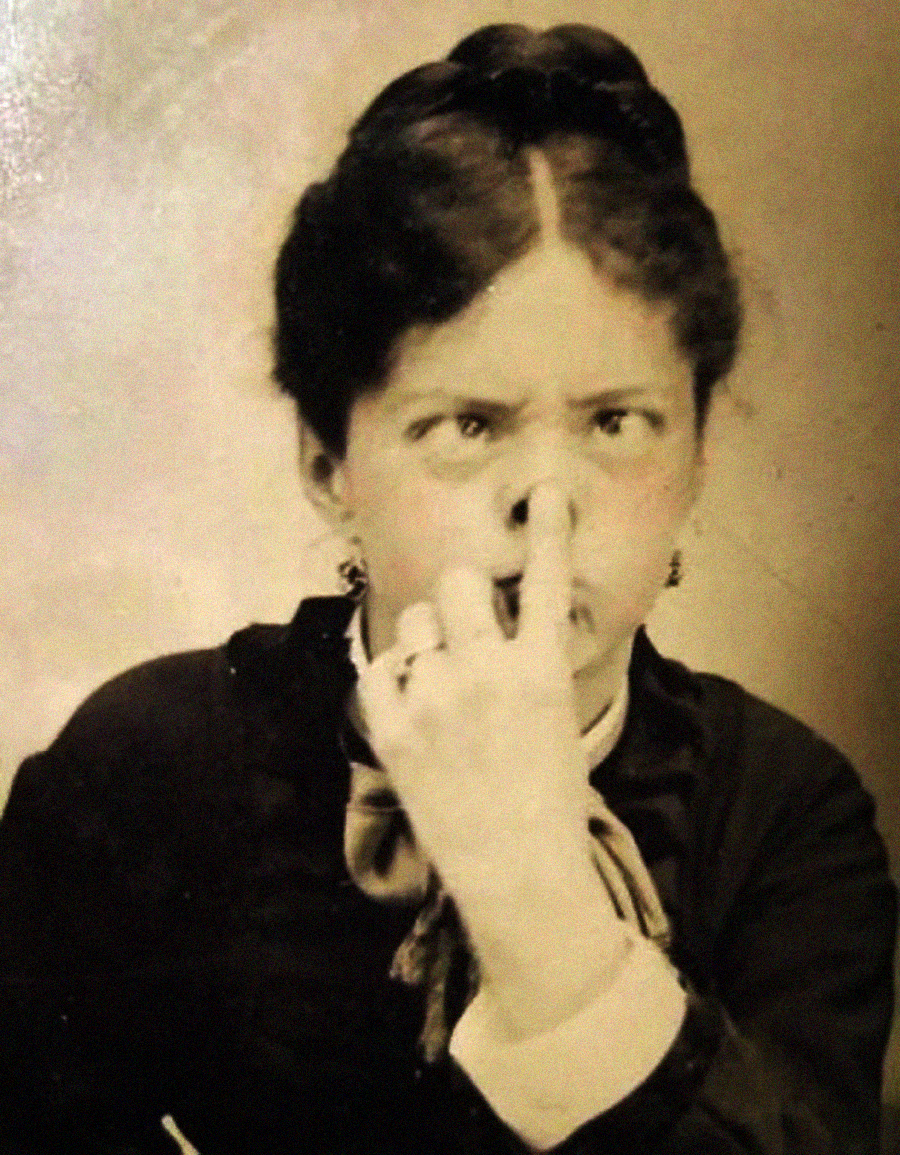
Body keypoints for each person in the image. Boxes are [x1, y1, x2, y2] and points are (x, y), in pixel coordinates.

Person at [0, 21, 894, 1155]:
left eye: (618, 423)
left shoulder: (785, 816)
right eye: (467, 425)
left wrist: (539, 904)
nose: (548, 500)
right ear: (331, 468)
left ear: (698, 458)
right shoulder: (142, 772)